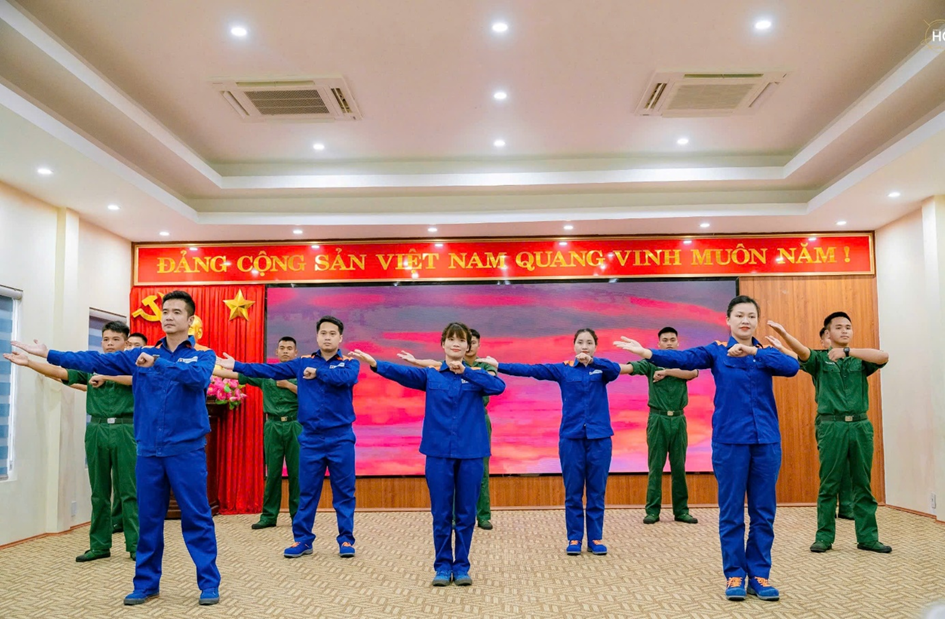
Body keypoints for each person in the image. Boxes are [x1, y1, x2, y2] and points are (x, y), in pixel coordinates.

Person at [13, 290, 221, 606]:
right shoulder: (140, 354)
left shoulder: (202, 356)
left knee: (197, 518)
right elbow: (95, 360)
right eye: (165, 311)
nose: (168, 316)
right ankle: (146, 584)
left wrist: (159, 363)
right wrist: (49, 353)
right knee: (148, 519)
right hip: (148, 450)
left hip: (186, 450)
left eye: (176, 312)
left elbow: (197, 378)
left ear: (190, 320)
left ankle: (208, 583)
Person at [615, 295, 799, 602]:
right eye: (739, 315)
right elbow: (685, 359)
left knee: (763, 512)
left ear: (756, 321)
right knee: (731, 512)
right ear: (727, 320)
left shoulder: (765, 353)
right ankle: (735, 574)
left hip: (766, 441)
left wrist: (752, 350)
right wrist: (647, 353)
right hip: (730, 442)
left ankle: (759, 574)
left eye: (751, 316)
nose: (745, 320)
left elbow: (791, 367)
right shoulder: (716, 351)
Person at [349, 322, 505, 587]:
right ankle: (442, 566)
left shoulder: (477, 375)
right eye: (451, 339)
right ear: (443, 344)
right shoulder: (432, 375)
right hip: (438, 452)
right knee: (441, 513)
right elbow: (402, 373)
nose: (456, 343)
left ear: (467, 346)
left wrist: (466, 371)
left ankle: (462, 566)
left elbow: (498, 387)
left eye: (461, 340)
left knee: (466, 513)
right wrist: (375, 363)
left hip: (471, 452)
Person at [217, 316, 360, 559]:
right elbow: (270, 371)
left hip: (341, 438)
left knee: (344, 492)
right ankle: (302, 540)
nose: (327, 337)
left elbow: (345, 379)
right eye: (323, 333)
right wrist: (237, 365)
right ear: (316, 337)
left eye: (332, 333)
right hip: (311, 439)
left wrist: (318, 372)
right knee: (307, 492)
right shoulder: (302, 362)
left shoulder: (349, 364)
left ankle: (346, 539)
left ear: (340, 338)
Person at [479, 328, 621, 557]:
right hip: (571, 438)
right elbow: (532, 370)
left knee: (597, 491)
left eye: (589, 343)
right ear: (574, 345)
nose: (584, 346)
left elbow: (615, 370)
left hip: (600, 439)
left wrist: (593, 361)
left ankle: (595, 538)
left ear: (595, 346)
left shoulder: (602, 369)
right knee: (573, 491)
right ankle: (574, 538)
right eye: (580, 342)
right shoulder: (564, 369)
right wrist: (499, 365)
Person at [4, 321, 138, 562]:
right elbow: (62, 373)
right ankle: (99, 546)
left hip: (125, 428)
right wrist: (30, 363)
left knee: (129, 491)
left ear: (126, 343)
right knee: (98, 492)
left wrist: (107, 376)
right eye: (106, 339)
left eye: (115, 339)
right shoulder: (92, 366)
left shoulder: (134, 364)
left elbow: (135, 380)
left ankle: (136, 546)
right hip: (96, 429)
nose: (109, 344)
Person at [767, 314, 891, 554]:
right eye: (838, 327)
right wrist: (784, 334)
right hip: (831, 426)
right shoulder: (819, 360)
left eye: (848, 327)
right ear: (828, 333)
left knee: (863, 484)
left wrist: (848, 351)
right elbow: (802, 352)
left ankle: (867, 537)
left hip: (860, 426)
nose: (844, 331)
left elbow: (883, 356)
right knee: (829, 483)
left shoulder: (859, 360)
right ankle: (824, 536)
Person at [400, 327, 497, 530]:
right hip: (451, 424)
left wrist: (466, 371)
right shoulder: (445, 365)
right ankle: (451, 516)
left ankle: (483, 515)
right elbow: (433, 364)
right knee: (449, 474)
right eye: (453, 340)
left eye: (468, 342)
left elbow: (494, 383)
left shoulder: (483, 366)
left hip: (476, 422)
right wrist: (415, 361)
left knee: (479, 472)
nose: (460, 344)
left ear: (473, 345)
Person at [215, 337, 301, 530]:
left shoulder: (303, 373)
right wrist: (208, 367)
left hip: (295, 425)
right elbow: (236, 375)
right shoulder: (266, 373)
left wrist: (289, 385)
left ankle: (299, 517)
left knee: (297, 473)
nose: (285, 351)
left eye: (289, 348)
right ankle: (269, 516)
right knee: (273, 473)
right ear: (276, 352)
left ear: (296, 353)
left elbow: (313, 396)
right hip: (272, 426)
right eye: (282, 348)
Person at [620, 326, 699, 525]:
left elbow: (693, 373)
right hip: (657, 419)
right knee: (655, 466)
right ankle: (652, 511)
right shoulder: (651, 361)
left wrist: (667, 372)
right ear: (659, 344)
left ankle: (681, 511)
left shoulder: (685, 359)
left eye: (672, 339)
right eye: (665, 340)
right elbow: (630, 368)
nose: (669, 343)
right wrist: (606, 366)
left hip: (679, 419)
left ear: (678, 342)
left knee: (679, 467)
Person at [111, 332, 148, 534]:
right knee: (118, 480)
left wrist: (105, 376)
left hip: (135, 427)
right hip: (113, 429)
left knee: (131, 481)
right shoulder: (118, 365)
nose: (131, 348)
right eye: (129, 344)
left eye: (136, 345)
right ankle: (117, 519)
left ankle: (135, 527)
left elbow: (133, 380)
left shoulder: (146, 365)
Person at [816, 327, 854, 520]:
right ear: (823, 342)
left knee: (849, 466)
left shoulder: (853, 359)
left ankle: (847, 506)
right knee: (831, 467)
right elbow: (797, 355)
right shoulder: (819, 360)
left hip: (851, 422)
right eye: (828, 338)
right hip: (829, 421)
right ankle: (827, 515)